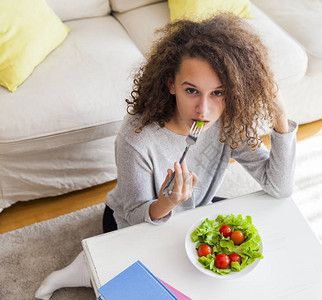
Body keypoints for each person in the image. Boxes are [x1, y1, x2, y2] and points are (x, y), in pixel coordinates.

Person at [35, 13, 297, 299]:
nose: (204, 110)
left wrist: (281, 119)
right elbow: (135, 216)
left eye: (218, 93)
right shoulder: (137, 138)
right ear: (171, 84)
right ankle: (84, 267)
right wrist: (166, 203)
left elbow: (279, 186)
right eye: (191, 91)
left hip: (192, 213)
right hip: (132, 219)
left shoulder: (228, 121)